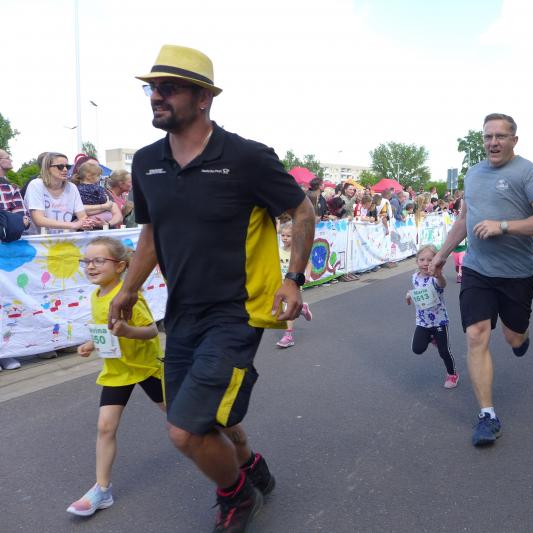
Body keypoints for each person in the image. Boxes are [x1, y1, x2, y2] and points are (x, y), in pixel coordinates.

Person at [109, 44, 315, 532]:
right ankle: (251, 466)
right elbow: (151, 233)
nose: (156, 96)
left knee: (184, 430)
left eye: (169, 88)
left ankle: (236, 495)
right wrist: (128, 288)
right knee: (209, 419)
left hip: (236, 314)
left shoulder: (246, 157)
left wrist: (293, 278)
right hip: (181, 314)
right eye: (151, 88)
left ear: (203, 98)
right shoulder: (147, 162)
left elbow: (302, 210)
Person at [430, 113, 533, 447]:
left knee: (513, 337)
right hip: (477, 270)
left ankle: (521, 337)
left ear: (514, 140)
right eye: (488, 136)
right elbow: (465, 219)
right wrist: (442, 254)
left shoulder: (528, 173)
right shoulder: (473, 174)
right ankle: (487, 415)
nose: (493, 142)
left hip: (517, 273)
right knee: (476, 335)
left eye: (500, 136)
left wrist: (503, 226)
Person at [67, 236, 164, 517]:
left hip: (146, 367)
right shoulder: (96, 296)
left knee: (182, 419)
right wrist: (91, 343)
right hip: (117, 370)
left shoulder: (127, 295)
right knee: (105, 427)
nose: (91, 266)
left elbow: (151, 330)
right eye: (87, 261)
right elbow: (105, 330)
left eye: (99, 260)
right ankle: (102, 489)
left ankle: (226, 446)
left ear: (120, 266)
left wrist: (128, 331)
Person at [405, 245, 459, 389]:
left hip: (439, 321)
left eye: (430, 260)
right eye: (422, 259)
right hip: (422, 321)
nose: (425, 263)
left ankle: (452, 374)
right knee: (417, 349)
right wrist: (409, 294)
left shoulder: (436, 278)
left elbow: (443, 284)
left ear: (435, 261)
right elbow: (417, 291)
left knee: (444, 351)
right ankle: (432, 338)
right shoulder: (415, 277)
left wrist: (439, 274)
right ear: (417, 261)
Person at [0, 149, 29, 370]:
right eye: (5, 156)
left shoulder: (11, 187)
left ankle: (6, 351)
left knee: (7, 301)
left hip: (8, 250)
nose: (10, 158)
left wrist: (16, 222)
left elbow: (23, 218)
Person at [23, 152, 95, 234]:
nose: (65, 169)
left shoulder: (72, 187)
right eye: (60, 167)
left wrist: (87, 223)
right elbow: (39, 220)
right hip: (37, 239)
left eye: (67, 166)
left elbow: (82, 217)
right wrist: (73, 225)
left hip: (65, 238)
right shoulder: (36, 185)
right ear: (47, 168)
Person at [276, 221, 313, 348]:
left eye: (288, 236)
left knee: (288, 309)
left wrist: (307, 276)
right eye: (283, 235)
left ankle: (288, 336)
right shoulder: (279, 250)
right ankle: (302, 309)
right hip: (282, 283)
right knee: (283, 307)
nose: (285, 238)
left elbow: (308, 263)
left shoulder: (297, 251)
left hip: (294, 283)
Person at [73, 161, 123, 228]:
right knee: (109, 215)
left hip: (83, 223)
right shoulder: (98, 188)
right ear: (89, 176)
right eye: (98, 176)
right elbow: (106, 202)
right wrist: (105, 206)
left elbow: (118, 216)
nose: (100, 178)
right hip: (101, 220)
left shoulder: (76, 189)